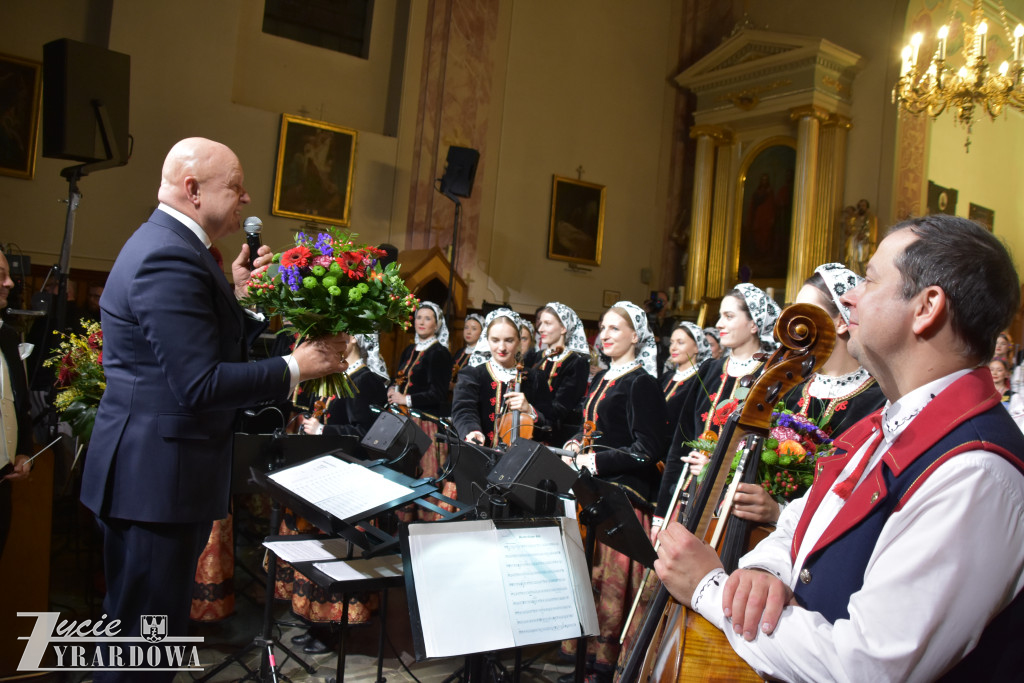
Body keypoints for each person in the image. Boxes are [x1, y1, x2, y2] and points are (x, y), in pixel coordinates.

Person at [653, 214, 1024, 681]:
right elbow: (803, 518)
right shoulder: (883, 423)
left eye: (869, 279)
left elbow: (866, 666)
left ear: (927, 307)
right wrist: (766, 569)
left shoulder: (975, 474)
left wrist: (709, 588)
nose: (850, 296)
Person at [79, 138, 346, 680]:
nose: (247, 197)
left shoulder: (178, 248)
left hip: (160, 477)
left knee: (144, 639)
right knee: (140, 650)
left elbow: (199, 347)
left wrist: (241, 302)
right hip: (154, 483)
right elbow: (198, 383)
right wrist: (298, 367)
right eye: (236, 186)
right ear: (193, 190)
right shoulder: (166, 255)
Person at [728, 264, 887, 527]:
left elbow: (862, 497)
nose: (793, 321)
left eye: (805, 312)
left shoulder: (878, 400)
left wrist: (779, 512)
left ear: (839, 320)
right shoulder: (786, 389)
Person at [560, 301, 668, 683]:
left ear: (636, 336)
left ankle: (605, 668)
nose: (604, 335)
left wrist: (597, 462)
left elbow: (648, 449)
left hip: (624, 496)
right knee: (588, 577)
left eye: (614, 329)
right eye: (602, 328)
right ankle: (584, 662)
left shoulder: (641, 382)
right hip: (593, 493)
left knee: (610, 584)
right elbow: (590, 428)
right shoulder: (602, 377)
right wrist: (575, 444)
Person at [654, 284, 779, 534]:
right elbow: (682, 440)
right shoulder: (710, 369)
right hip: (688, 495)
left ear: (754, 324)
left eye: (729, 316)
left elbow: (768, 450)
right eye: (720, 315)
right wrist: (660, 515)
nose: (719, 323)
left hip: (732, 507)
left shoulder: (772, 376)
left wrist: (716, 467)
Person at [451, 309, 537, 447]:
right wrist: (473, 431)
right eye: (495, 340)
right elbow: (463, 410)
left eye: (509, 340)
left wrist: (529, 410)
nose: (501, 347)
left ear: (518, 341)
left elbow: (549, 423)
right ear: (487, 340)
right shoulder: (472, 374)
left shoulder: (534, 377)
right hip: (479, 455)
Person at [387, 301, 453, 478]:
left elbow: (437, 394)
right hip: (402, 417)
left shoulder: (439, 353)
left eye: (428, 318)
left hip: (424, 421)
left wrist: (405, 399)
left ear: (436, 324)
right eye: (418, 317)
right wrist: (392, 389)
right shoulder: (410, 349)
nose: (421, 322)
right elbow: (399, 377)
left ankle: (423, 506)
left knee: (423, 470)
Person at [0, 249, 32, 557]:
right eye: (1, 275)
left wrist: (24, 450)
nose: (9, 283)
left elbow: (19, 403)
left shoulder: (9, 337)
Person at [299, 333, 389, 437]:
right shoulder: (332, 375)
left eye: (339, 332)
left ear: (354, 338)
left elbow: (366, 432)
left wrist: (322, 430)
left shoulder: (365, 379)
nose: (332, 338)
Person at [526, 302, 590, 445]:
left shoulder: (576, 363)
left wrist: (529, 409)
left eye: (547, 323)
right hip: (526, 429)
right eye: (540, 323)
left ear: (563, 328)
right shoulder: (534, 357)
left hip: (556, 436)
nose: (540, 329)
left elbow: (561, 409)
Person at [660, 320, 712, 437]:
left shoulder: (699, 381)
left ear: (697, 348)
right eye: (672, 342)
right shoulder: (666, 377)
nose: (673, 348)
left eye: (680, 343)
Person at [450, 313, 483, 385]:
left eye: (474, 328)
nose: (468, 332)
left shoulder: (482, 355)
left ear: (482, 333)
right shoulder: (460, 352)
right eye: (466, 327)